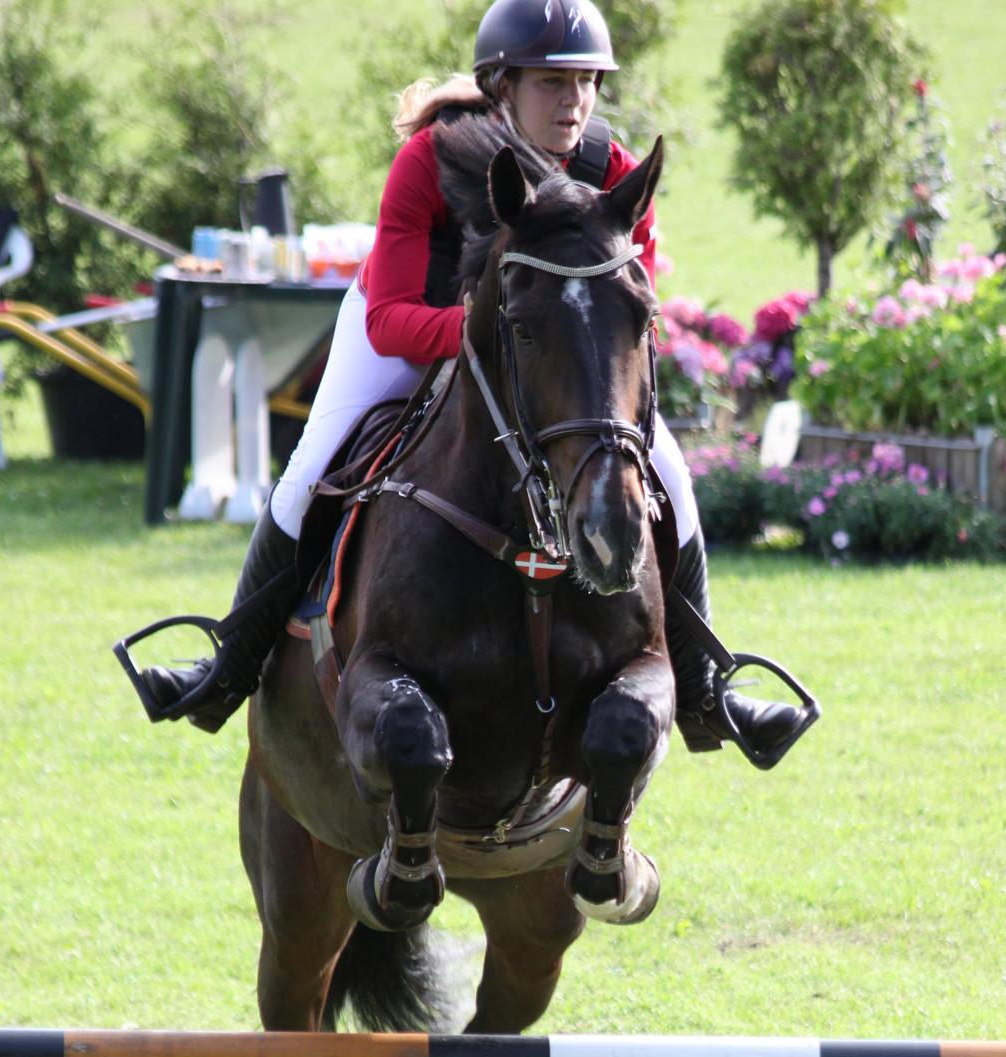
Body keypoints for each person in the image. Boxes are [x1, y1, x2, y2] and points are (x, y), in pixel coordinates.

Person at [135, 0, 805, 764]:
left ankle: (709, 685)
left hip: (542, 352)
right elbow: (389, 316)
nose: (574, 101)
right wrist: (498, 343)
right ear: (501, 85)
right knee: (309, 467)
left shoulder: (613, 172)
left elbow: (627, 301)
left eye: (585, 80)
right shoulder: (429, 160)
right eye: (552, 82)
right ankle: (228, 664)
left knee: (671, 479)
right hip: (409, 333)